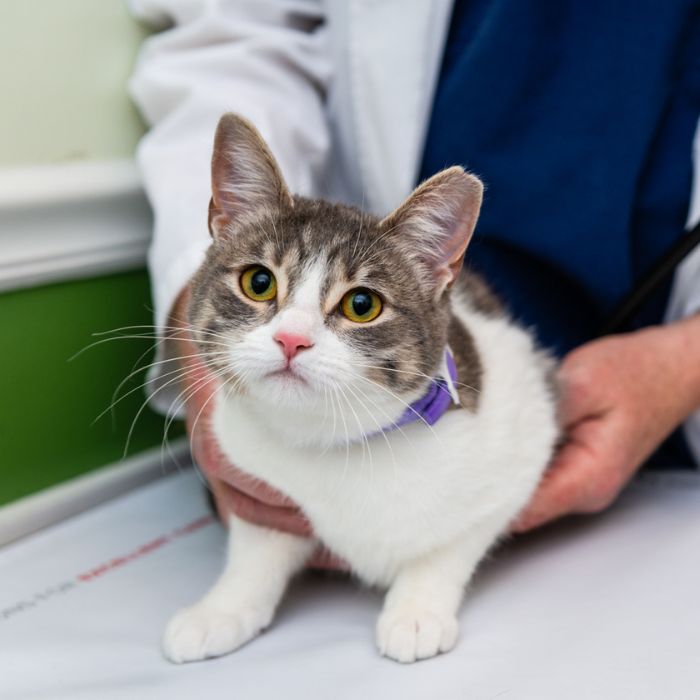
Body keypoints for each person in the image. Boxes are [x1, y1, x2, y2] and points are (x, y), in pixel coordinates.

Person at [129, 0, 700, 545]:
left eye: (358, 305)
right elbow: (238, 37)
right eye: (259, 285)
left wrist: (683, 365)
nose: (291, 334)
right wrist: (202, 340)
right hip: (339, 378)